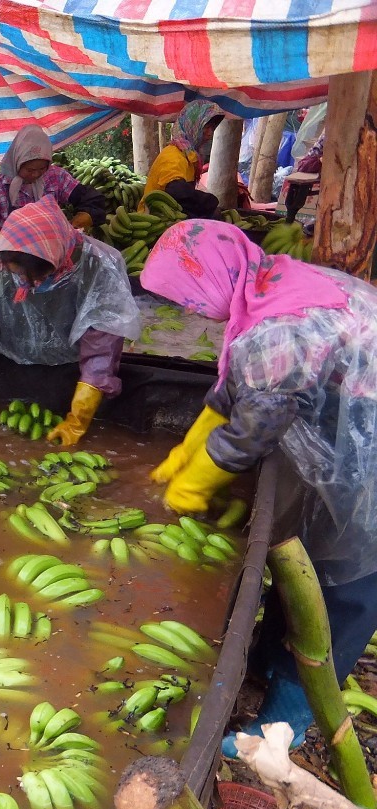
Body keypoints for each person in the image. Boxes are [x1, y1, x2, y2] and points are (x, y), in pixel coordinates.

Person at [139, 221, 377, 757]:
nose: (189, 309)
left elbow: (254, 429)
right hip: (345, 429)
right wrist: (186, 451)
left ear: (212, 278)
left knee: (346, 577)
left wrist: (191, 487)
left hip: (367, 440)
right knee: (308, 558)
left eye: (188, 296)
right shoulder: (263, 287)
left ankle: (289, 720)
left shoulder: (278, 328)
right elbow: (235, 391)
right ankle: (273, 660)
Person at [0, 196, 140, 446]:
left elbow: (102, 348)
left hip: (71, 372)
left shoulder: (99, 266)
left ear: (56, 260)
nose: (26, 285)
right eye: (16, 274)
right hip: (6, 363)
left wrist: (78, 418)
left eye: (37, 277)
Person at [0, 124, 107, 244]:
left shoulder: (55, 177)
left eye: (42, 168)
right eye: (30, 170)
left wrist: (84, 217)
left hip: (51, 248)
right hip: (13, 255)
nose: (36, 174)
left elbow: (89, 198)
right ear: (16, 163)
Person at [142, 99, 224, 218]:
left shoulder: (190, 156)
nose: (210, 133)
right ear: (192, 126)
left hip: (171, 214)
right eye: (206, 127)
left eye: (212, 128)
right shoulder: (173, 155)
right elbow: (176, 191)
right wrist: (209, 201)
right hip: (153, 219)